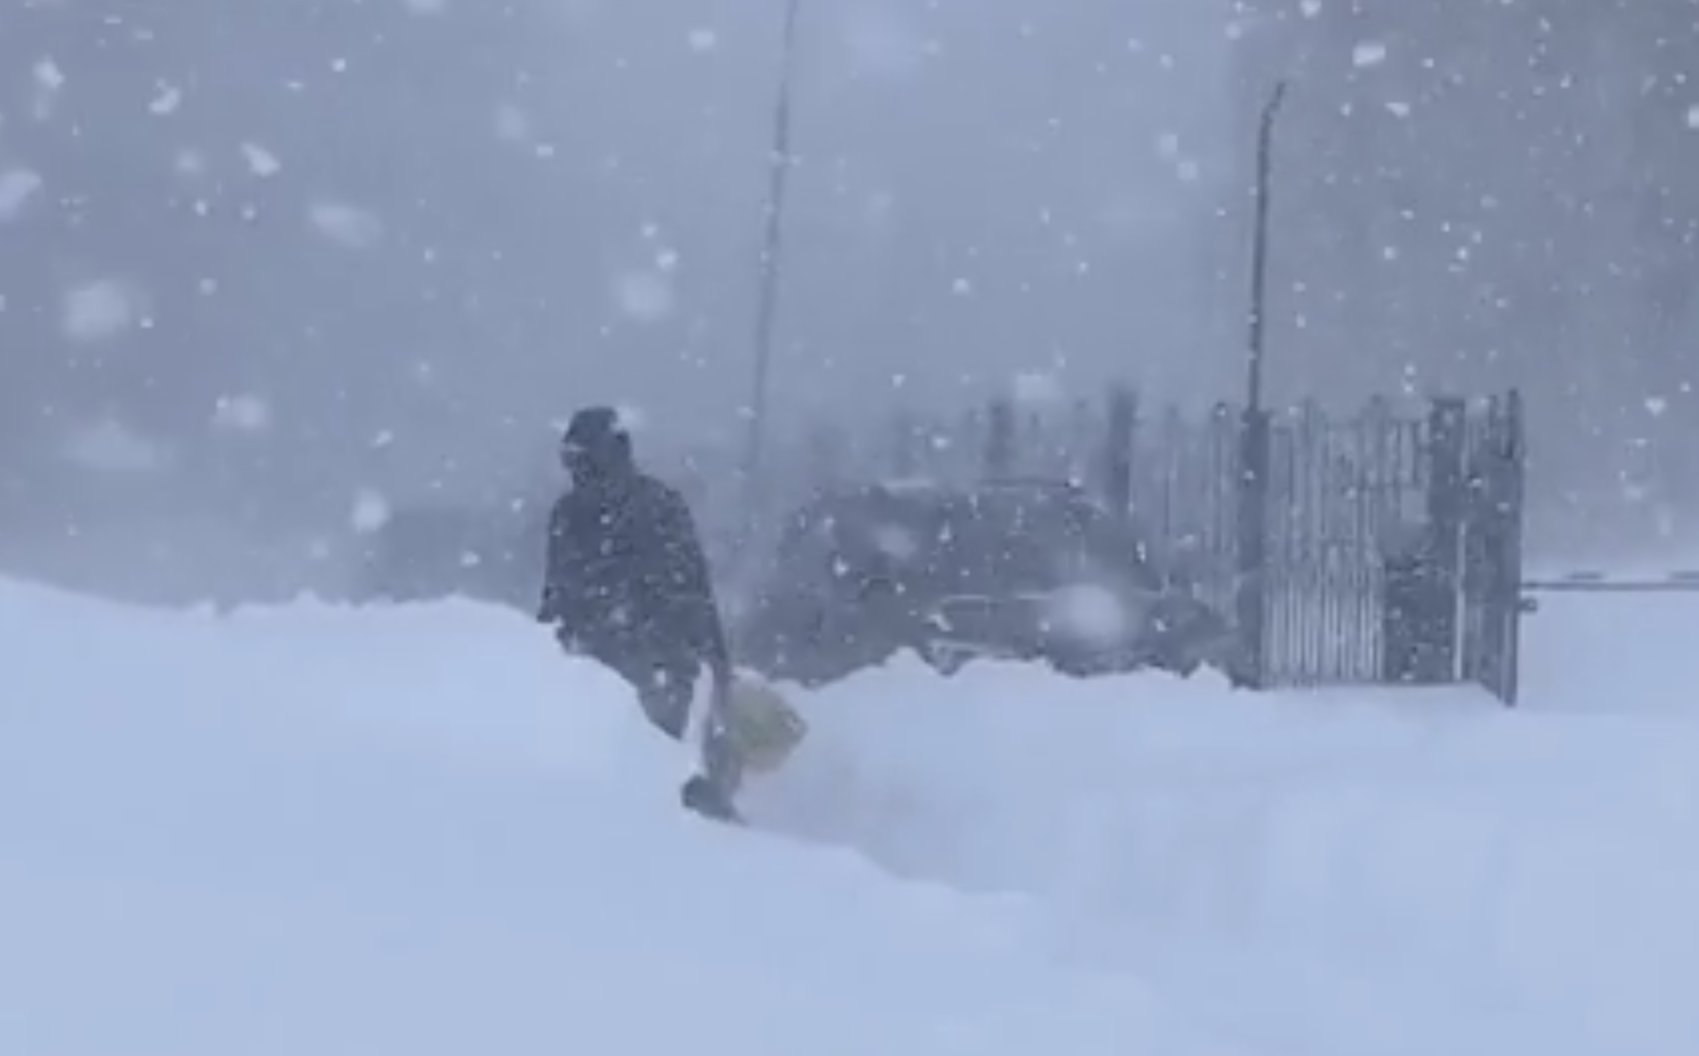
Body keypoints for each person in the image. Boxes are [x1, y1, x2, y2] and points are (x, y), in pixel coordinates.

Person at [537, 406, 742, 820]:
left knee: (637, 770)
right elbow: (696, 591)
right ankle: (694, 833)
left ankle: (673, 835)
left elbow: (557, 602)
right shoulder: (650, 506)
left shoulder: (609, 512)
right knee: (656, 769)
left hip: (630, 666)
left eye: (583, 460)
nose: (579, 472)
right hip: (640, 666)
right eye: (573, 462)